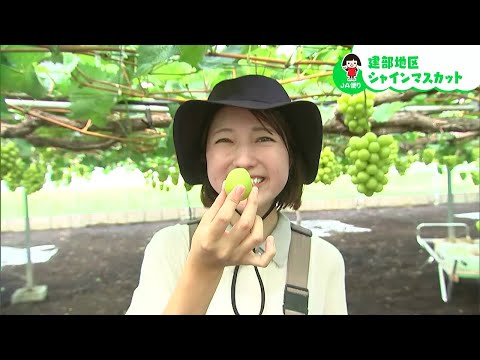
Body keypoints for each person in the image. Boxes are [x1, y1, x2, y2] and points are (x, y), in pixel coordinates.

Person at [125, 74, 348, 315]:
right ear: (206, 158)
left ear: (290, 157)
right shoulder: (171, 248)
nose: (243, 161)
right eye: (225, 139)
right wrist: (203, 268)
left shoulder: (323, 259)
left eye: (264, 138)